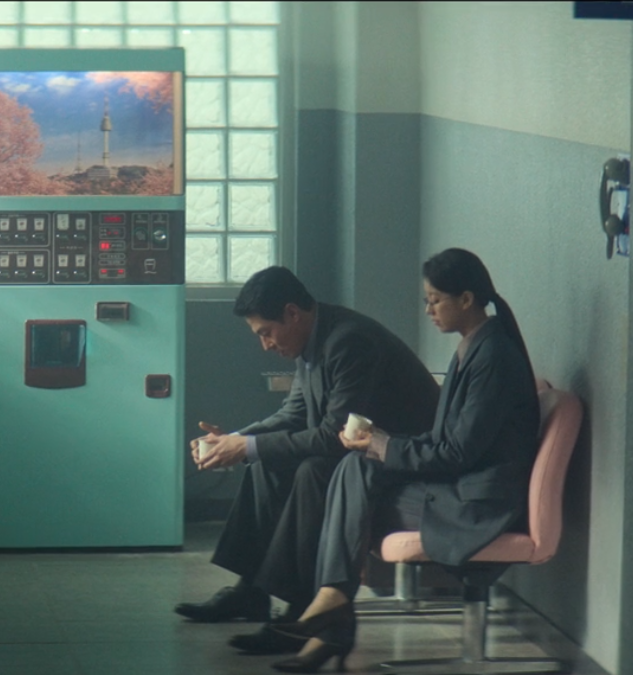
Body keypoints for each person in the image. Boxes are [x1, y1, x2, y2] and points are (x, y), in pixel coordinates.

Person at [266, 248, 540, 673]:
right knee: (354, 466)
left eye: (435, 300)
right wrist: (380, 443)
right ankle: (332, 608)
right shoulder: (472, 349)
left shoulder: (493, 358)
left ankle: (332, 614)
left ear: (466, 299)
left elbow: (458, 453)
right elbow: (444, 440)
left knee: (350, 486)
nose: (428, 310)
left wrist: (385, 446)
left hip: (478, 503)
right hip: (460, 486)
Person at [175, 266, 440, 656]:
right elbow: (294, 413)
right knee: (265, 462)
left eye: (266, 332)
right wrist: (235, 440)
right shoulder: (314, 339)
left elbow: (334, 435)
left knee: (312, 471)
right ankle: (251, 591)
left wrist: (245, 446)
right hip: (362, 457)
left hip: (405, 463)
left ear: (292, 313)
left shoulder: (350, 342)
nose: (265, 345)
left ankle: (300, 610)